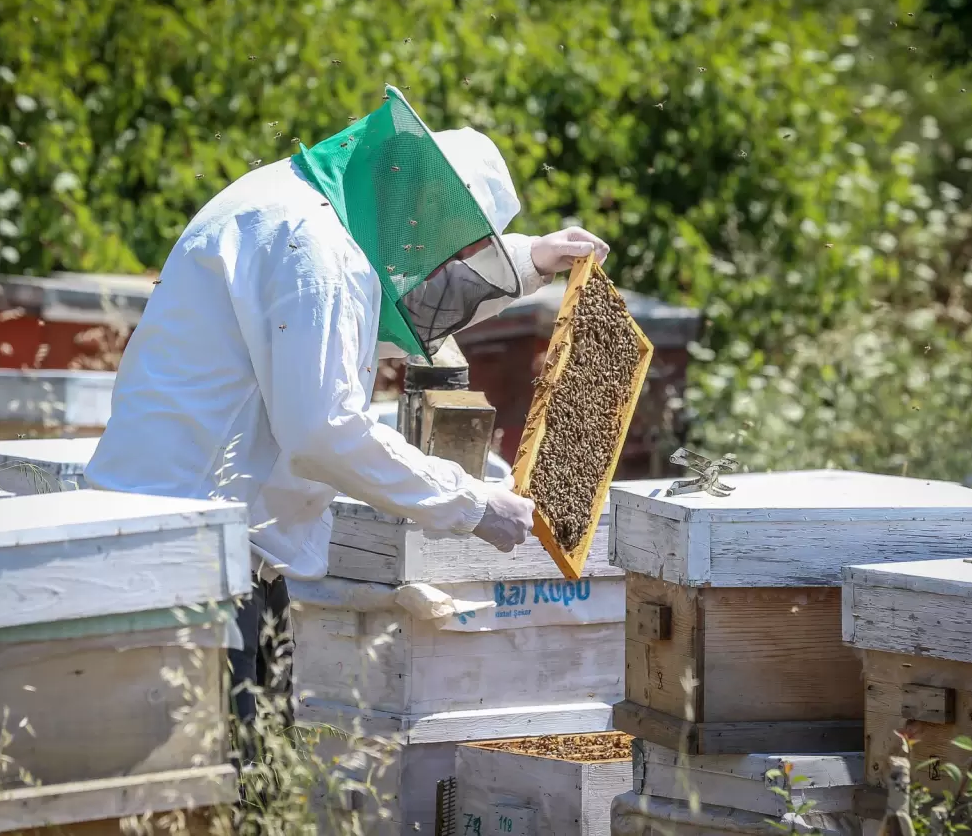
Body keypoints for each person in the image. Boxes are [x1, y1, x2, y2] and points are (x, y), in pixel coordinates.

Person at [83, 85, 611, 755]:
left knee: (252, 782)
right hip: (193, 560)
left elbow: (387, 315)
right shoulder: (319, 252)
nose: (434, 264)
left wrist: (530, 258)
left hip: (204, 546)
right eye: (449, 246)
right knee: (219, 787)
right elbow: (323, 432)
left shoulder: (292, 206)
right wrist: (472, 503)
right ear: (424, 210)